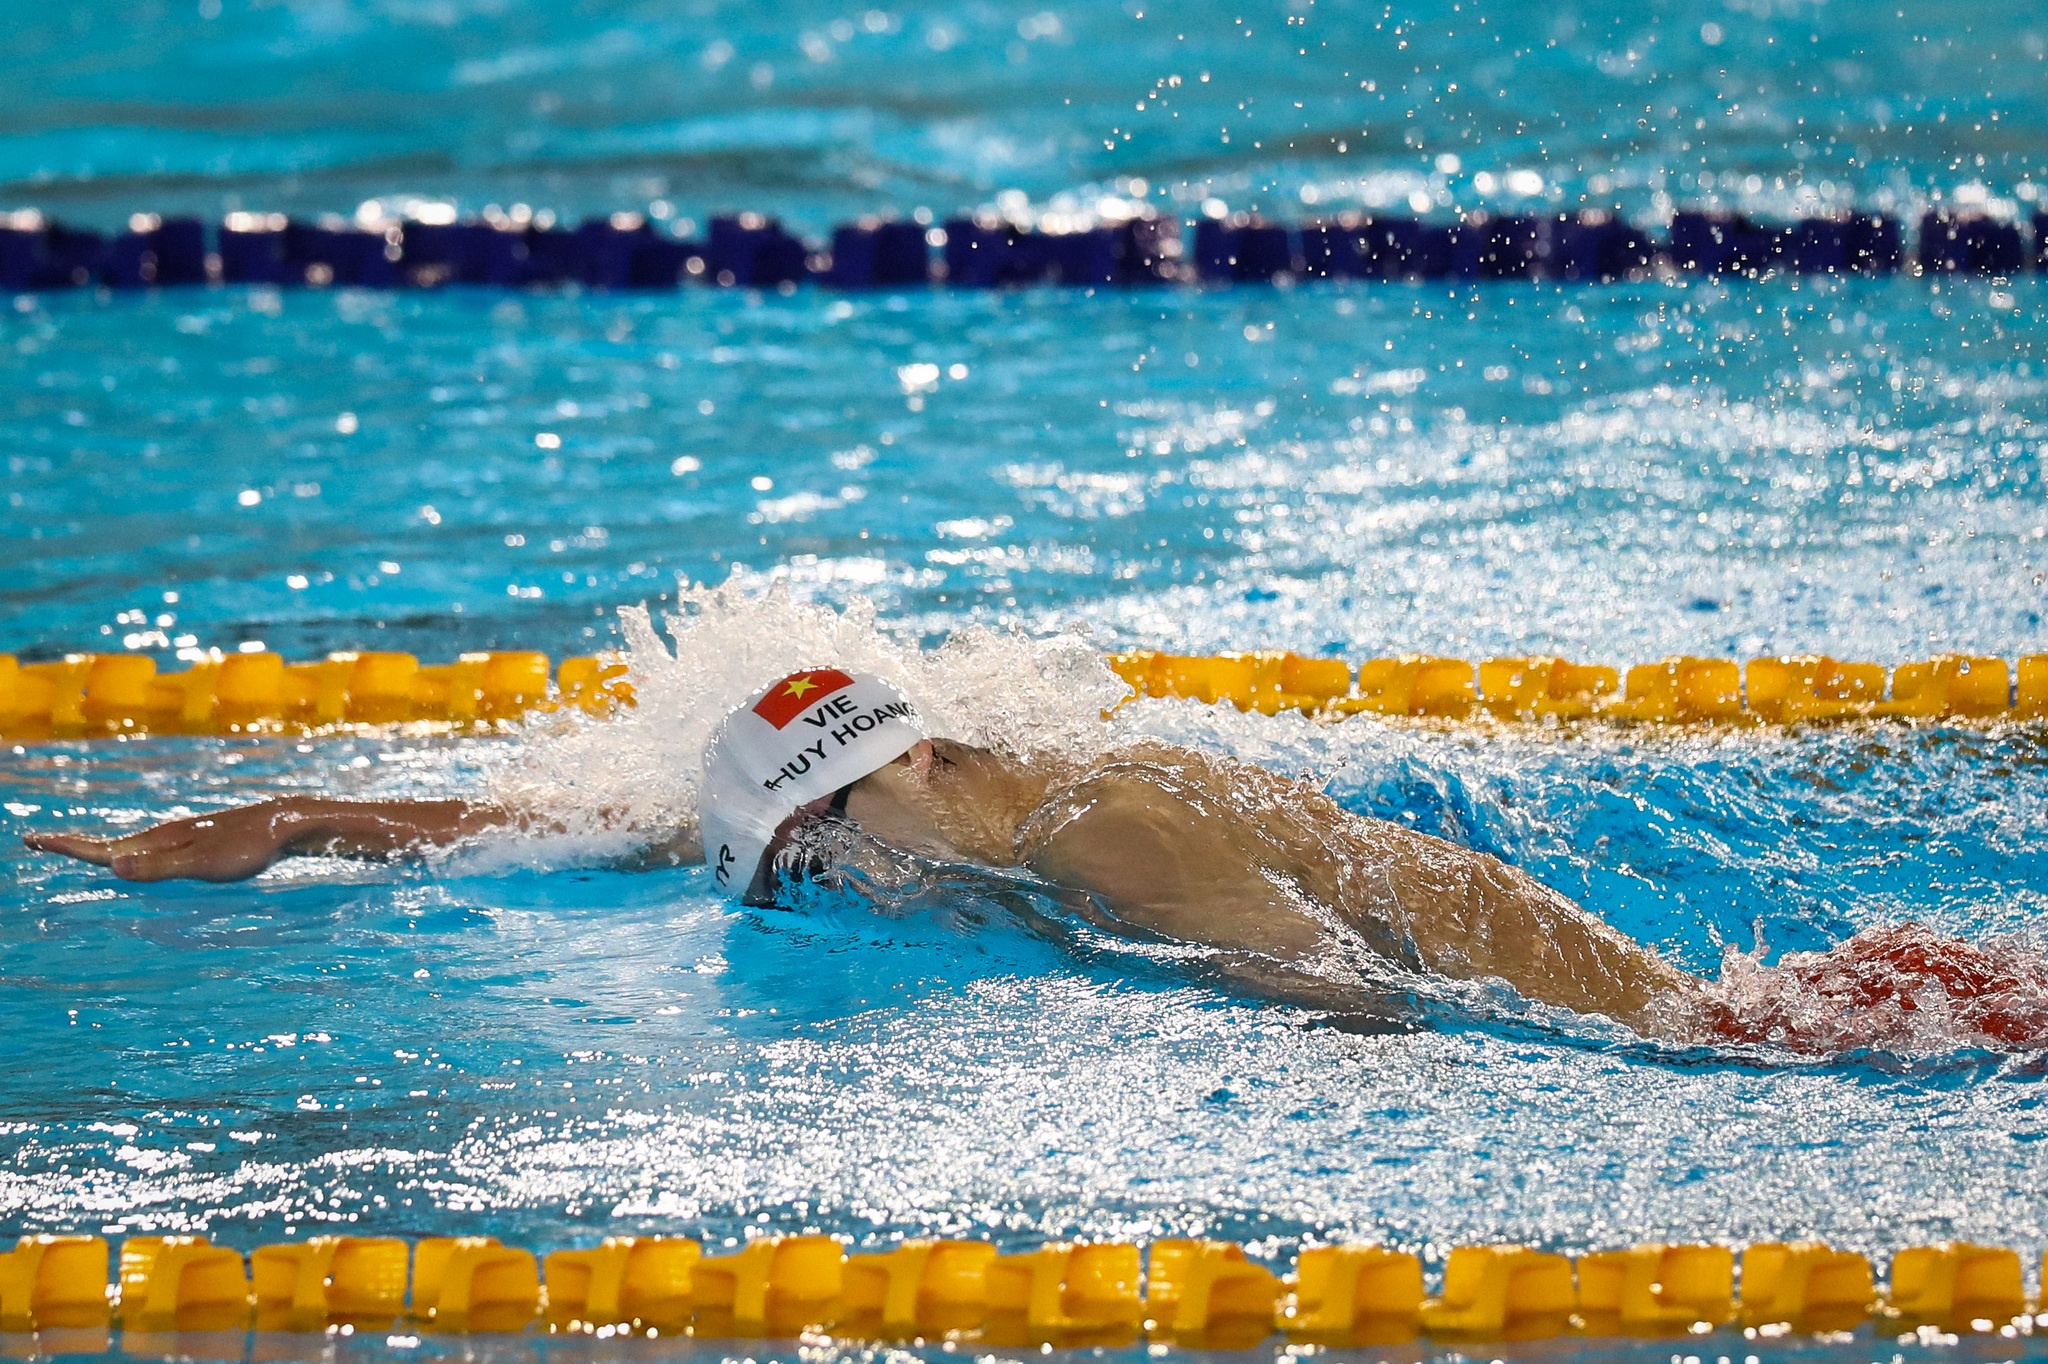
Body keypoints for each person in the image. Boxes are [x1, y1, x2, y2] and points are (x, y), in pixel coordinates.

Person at [23, 668, 2048, 1050]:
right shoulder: (981, 792)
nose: (799, 893)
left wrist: (1308, 1072)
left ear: (830, 816)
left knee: (1758, 1037)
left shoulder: (1112, 830)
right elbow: (628, 818)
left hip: (1663, 1023)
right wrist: (295, 823)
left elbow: (1347, 989)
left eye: (786, 867)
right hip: (1557, 953)